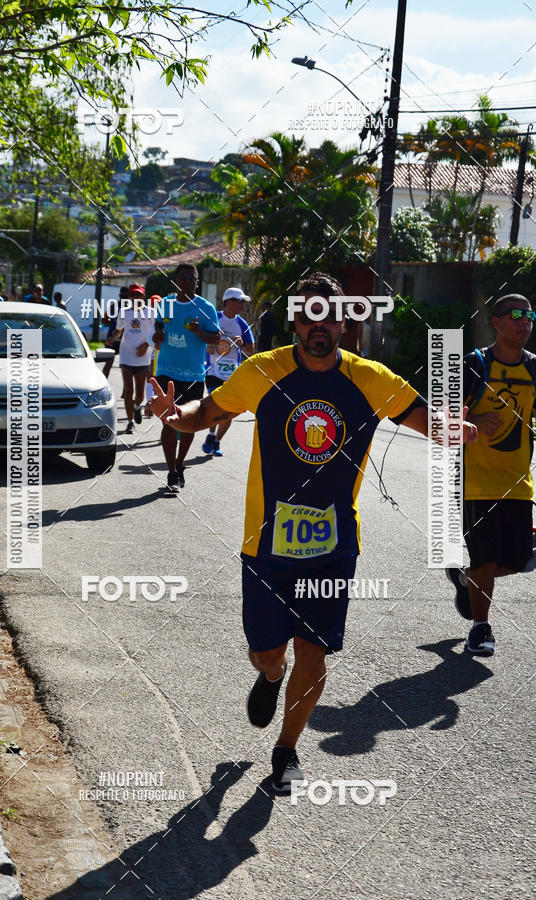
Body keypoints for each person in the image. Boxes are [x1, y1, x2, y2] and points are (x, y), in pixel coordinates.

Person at [150, 271, 477, 793]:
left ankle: (287, 750)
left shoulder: (371, 378)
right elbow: (205, 412)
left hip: (334, 547)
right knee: (267, 651)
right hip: (265, 546)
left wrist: (448, 428)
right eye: (309, 313)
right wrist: (175, 415)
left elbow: (423, 418)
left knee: (314, 650)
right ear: (296, 320)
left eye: (330, 313)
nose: (319, 323)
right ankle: (270, 675)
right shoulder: (265, 370)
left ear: (346, 322)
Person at [446, 293, 536, 657]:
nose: (524, 321)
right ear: (496, 322)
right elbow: (441, 418)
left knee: (519, 559)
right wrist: (471, 422)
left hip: (518, 482)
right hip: (476, 481)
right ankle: (480, 628)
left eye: (530, 315)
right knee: (485, 555)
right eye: (515, 314)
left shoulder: (534, 368)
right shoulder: (475, 364)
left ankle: (467, 580)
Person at [153, 263, 220, 492]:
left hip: (193, 374)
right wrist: (158, 334)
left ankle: (181, 464)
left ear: (197, 282)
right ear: (175, 280)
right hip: (166, 371)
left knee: (189, 424)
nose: (186, 282)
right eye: (182, 277)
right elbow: (160, 325)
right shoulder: (167, 304)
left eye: (191, 279)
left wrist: (199, 332)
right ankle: (171, 471)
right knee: (169, 421)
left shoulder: (204, 308)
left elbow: (216, 337)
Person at [202, 287, 255, 457]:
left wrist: (241, 344)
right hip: (213, 371)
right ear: (230, 302)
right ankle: (211, 434)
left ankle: (216, 440)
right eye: (241, 302)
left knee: (229, 410)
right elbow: (201, 338)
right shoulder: (214, 318)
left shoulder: (242, 324)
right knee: (216, 405)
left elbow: (251, 349)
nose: (243, 306)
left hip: (232, 373)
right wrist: (209, 346)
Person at [112, 284, 155, 434]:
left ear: (143, 296)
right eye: (133, 295)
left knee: (140, 393)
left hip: (143, 356)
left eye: (138, 295)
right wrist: (114, 337)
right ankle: (130, 422)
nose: (135, 298)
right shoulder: (123, 312)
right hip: (126, 354)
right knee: (128, 389)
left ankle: (137, 407)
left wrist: (145, 345)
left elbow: (155, 334)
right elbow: (119, 330)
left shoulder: (151, 312)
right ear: (129, 297)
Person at [103, 286, 130, 379]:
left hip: (118, 338)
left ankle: (104, 384)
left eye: (124, 296)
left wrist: (113, 322)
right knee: (123, 367)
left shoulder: (114, 306)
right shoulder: (130, 308)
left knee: (110, 364)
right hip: (118, 338)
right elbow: (104, 320)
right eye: (123, 296)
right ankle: (124, 393)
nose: (123, 298)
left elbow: (104, 320)